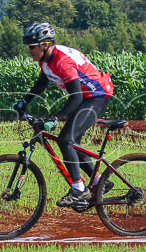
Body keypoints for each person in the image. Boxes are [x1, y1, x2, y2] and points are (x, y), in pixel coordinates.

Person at [12, 22, 115, 208]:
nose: (29, 51)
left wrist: (56, 118)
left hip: (96, 96)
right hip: (84, 98)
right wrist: (24, 102)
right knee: (72, 142)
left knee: (65, 140)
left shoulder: (62, 60)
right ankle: (100, 182)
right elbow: (42, 81)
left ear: (44, 44)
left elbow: (75, 97)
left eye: (31, 47)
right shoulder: (46, 59)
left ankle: (79, 189)